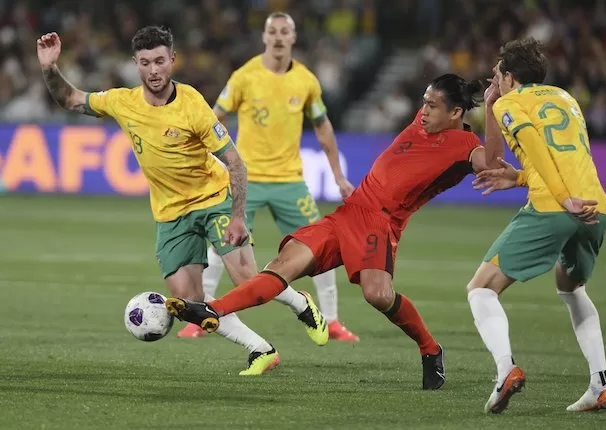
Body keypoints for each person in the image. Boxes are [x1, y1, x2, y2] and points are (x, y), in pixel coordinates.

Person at [165, 73, 505, 389]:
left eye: (432, 105)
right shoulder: (422, 122)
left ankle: (430, 348)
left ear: (456, 111)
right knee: (282, 265)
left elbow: (489, 162)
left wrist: (492, 106)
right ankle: (213, 310)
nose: (424, 110)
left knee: (378, 296)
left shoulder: (465, 147)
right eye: (424, 101)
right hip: (348, 212)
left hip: (379, 223)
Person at [36, 26, 328, 376]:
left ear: (172, 60)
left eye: (160, 61)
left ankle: (302, 304)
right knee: (191, 306)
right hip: (170, 215)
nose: (154, 70)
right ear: (136, 65)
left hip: (213, 200)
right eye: (145, 63)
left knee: (247, 279)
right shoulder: (122, 102)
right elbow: (69, 99)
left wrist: (237, 217)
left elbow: (235, 162)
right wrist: (49, 67)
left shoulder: (192, 105)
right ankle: (260, 349)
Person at [175, 12, 359, 342]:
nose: (277, 37)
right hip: (248, 179)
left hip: (290, 180)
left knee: (321, 247)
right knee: (224, 243)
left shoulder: (306, 81)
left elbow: (322, 127)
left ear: (293, 37)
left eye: (284, 31)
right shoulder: (244, 77)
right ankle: (199, 316)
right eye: (272, 31)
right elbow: (215, 117)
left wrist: (338, 176)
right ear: (264, 37)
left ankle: (330, 321)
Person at [468, 38, 606, 413]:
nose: (494, 80)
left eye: (497, 74)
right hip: (596, 208)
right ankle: (601, 383)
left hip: (558, 205)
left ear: (510, 76)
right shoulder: (565, 98)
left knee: (480, 289)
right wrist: (518, 179)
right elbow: (565, 156)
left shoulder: (511, 102)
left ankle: (505, 371)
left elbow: (529, 149)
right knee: (571, 286)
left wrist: (562, 198)